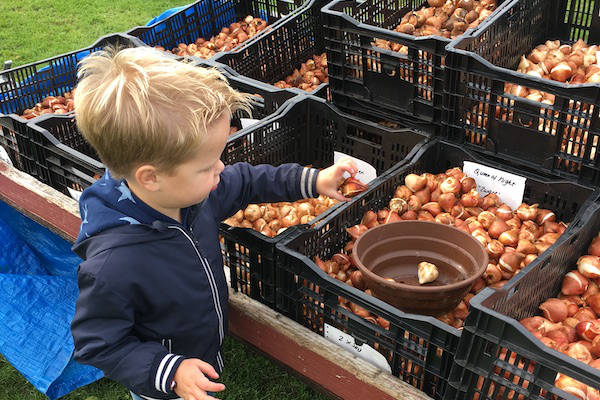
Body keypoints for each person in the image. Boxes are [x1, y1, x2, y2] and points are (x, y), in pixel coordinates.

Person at [69, 47, 358, 400]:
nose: (221, 169)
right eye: (207, 166)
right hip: (166, 385)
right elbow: (98, 343)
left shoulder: (190, 196)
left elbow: (249, 180)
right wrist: (170, 371)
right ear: (150, 177)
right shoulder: (113, 264)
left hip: (200, 347)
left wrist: (313, 180)